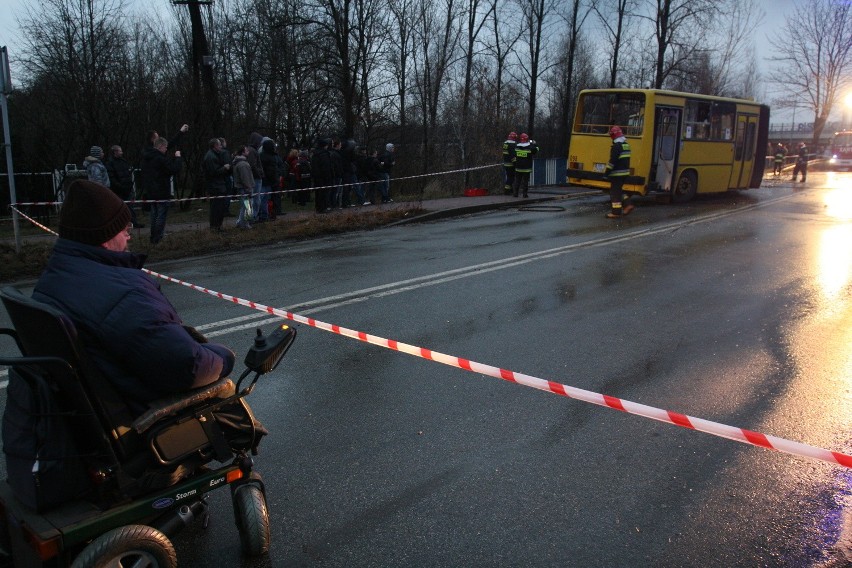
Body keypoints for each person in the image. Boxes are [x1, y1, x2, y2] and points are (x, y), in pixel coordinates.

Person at [31, 179, 265, 453]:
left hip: (85, 416)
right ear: (106, 236)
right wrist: (224, 356)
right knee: (224, 389)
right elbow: (186, 366)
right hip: (136, 420)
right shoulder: (122, 292)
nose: (129, 236)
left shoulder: (55, 278)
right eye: (125, 228)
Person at [139, 137, 183, 244]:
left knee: (154, 215)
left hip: (150, 191)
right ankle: (157, 238)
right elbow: (173, 169)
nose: (166, 149)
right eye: (165, 147)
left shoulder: (146, 158)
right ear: (160, 146)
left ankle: (153, 237)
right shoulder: (160, 158)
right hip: (161, 190)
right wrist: (177, 158)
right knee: (161, 216)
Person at [106, 145, 143, 228]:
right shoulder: (110, 163)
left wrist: (129, 185)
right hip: (118, 190)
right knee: (119, 208)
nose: (121, 152)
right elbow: (112, 178)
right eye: (120, 151)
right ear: (115, 152)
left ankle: (133, 222)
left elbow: (128, 174)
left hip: (127, 188)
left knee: (130, 206)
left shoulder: (123, 161)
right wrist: (120, 186)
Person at [604, 125, 634, 219]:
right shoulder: (626, 145)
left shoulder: (616, 147)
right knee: (619, 191)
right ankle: (628, 204)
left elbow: (613, 161)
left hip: (617, 173)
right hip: (624, 173)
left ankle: (616, 212)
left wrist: (606, 173)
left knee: (614, 193)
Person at [203, 138, 231, 232]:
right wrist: (224, 168)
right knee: (217, 209)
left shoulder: (213, 155)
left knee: (219, 208)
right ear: (215, 146)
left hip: (217, 185)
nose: (221, 147)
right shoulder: (211, 157)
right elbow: (214, 172)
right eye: (219, 145)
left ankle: (217, 227)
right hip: (216, 186)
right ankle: (215, 227)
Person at [232, 145, 254, 229]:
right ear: (243, 152)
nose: (248, 152)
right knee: (247, 207)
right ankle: (245, 224)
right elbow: (245, 178)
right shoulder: (243, 164)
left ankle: (240, 222)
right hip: (245, 188)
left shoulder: (239, 163)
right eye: (247, 151)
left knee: (244, 206)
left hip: (242, 188)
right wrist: (249, 189)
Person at [311, 138, 334, 213]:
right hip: (324, 177)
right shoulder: (324, 154)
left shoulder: (315, 154)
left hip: (317, 177)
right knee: (324, 193)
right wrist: (328, 176)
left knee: (318, 193)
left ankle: (318, 207)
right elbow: (326, 167)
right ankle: (323, 208)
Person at [511, 133, 538, 198]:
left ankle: (515, 193)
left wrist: (515, 163)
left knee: (517, 181)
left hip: (518, 167)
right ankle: (524, 194)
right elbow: (536, 150)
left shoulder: (517, 146)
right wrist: (534, 143)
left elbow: (513, 155)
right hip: (526, 168)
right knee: (525, 181)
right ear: (527, 139)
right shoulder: (530, 147)